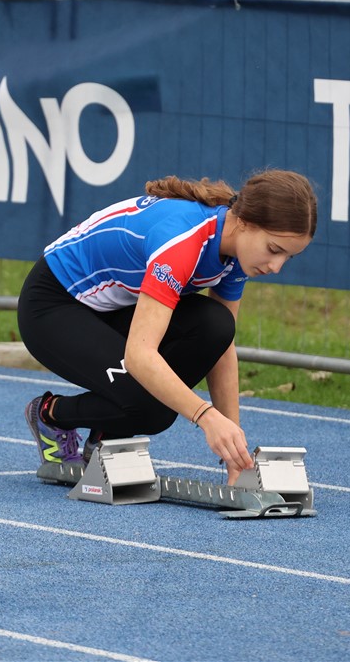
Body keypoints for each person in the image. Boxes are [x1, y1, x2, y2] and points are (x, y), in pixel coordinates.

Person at [17, 169, 317, 484]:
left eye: (288, 257)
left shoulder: (237, 253)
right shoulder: (182, 242)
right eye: (274, 249)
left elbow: (221, 348)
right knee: (154, 409)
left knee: (216, 325)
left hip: (113, 308)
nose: (276, 266)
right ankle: (51, 414)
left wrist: (235, 456)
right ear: (244, 222)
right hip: (53, 305)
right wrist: (206, 417)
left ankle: (106, 437)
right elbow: (139, 355)